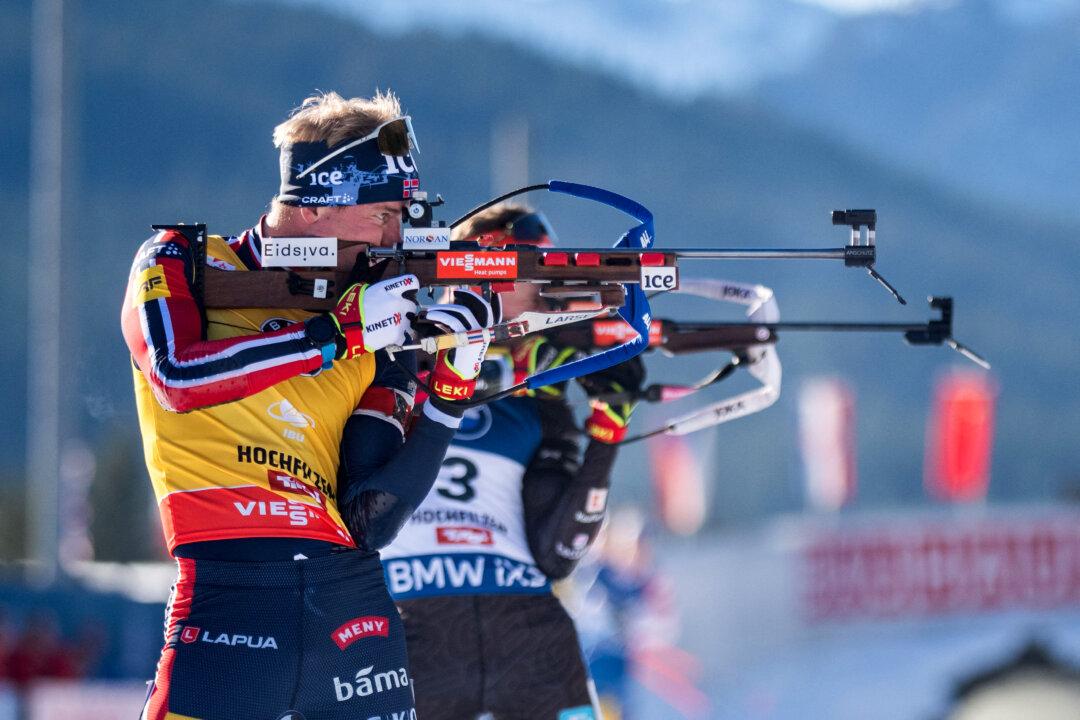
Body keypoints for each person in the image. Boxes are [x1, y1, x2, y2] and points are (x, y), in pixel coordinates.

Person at [122, 90, 499, 720]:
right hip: (228, 605)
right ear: (319, 207)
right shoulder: (184, 259)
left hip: (351, 609)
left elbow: (372, 518)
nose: (396, 236)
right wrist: (338, 335)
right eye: (382, 215)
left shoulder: (377, 307)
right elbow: (176, 377)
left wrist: (452, 378)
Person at [381, 204, 645, 720]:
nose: (545, 293)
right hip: (410, 626)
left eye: (547, 276)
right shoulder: (394, 356)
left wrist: (607, 429)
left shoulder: (543, 399)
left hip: (526, 628)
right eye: (533, 272)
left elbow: (559, 553)